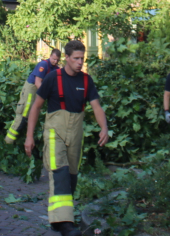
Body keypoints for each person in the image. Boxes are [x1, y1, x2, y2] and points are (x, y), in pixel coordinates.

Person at [25, 40, 109, 236]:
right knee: (60, 173)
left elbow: (97, 107)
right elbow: (36, 107)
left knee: (71, 177)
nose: (80, 62)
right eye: (76, 59)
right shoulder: (52, 78)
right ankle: (65, 225)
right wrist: (29, 136)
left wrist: (104, 128)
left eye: (82, 58)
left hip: (76, 134)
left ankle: (58, 220)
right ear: (67, 58)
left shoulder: (87, 81)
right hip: (55, 133)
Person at [5, 49, 61, 144]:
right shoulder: (43, 65)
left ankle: (18, 141)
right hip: (31, 90)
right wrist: (47, 96)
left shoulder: (56, 69)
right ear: (50, 56)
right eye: (54, 59)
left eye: (57, 60)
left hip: (39, 92)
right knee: (23, 115)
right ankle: (8, 141)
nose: (55, 61)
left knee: (32, 115)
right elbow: (37, 82)